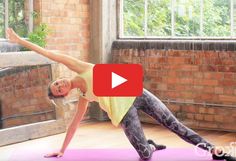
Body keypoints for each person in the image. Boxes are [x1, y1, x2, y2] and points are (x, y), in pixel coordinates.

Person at [6, 28, 236, 161]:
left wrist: (20, 41)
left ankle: (213, 150)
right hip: (126, 113)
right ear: (65, 94)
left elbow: (50, 53)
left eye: (57, 82)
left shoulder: (81, 67)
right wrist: (63, 150)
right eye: (58, 89)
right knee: (145, 155)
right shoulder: (85, 99)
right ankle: (151, 145)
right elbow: (74, 125)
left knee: (173, 124)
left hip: (138, 92)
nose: (60, 84)